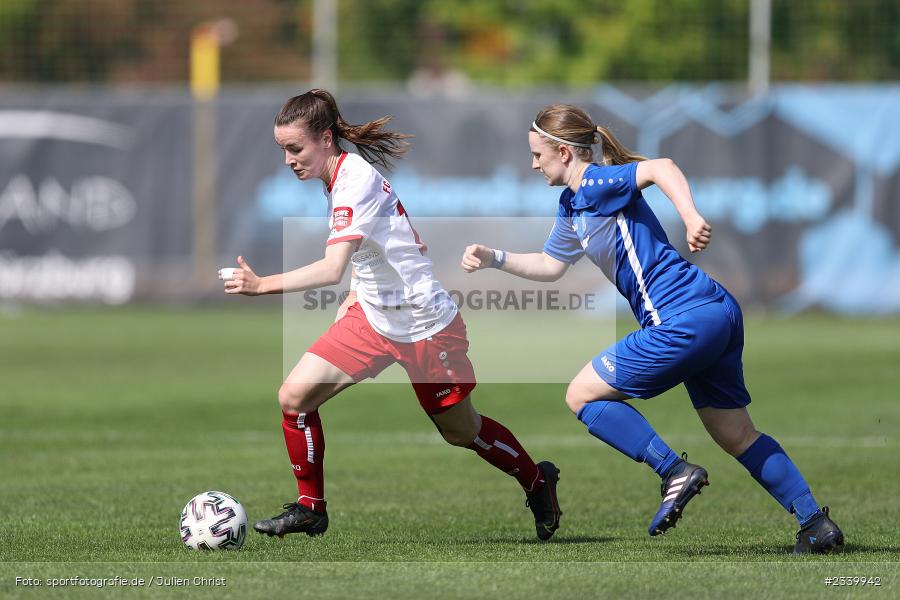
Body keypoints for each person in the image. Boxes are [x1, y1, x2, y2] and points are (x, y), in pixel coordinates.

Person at [460, 103, 843, 554]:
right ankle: (816, 525)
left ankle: (673, 471)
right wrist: (494, 258)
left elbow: (662, 167)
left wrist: (691, 215)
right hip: (714, 310)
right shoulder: (573, 204)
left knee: (581, 394)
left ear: (564, 153)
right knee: (736, 434)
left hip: (681, 318)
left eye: (538, 155)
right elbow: (550, 265)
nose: (532, 164)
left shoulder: (597, 183)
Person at [220, 89, 561, 541]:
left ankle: (537, 481)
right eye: (282, 149)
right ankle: (310, 508)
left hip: (424, 325)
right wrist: (358, 292)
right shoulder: (336, 176)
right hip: (374, 316)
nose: (288, 160)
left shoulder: (353, 180)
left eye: (294, 148)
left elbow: (331, 267)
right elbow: (382, 246)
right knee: (294, 398)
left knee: (461, 431)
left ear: (325, 139)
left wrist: (263, 285)